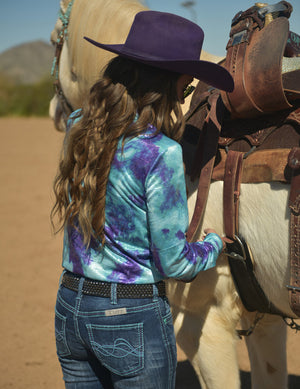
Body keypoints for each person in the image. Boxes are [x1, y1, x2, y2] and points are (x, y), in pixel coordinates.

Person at [51, 10, 234, 389]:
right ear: (167, 86)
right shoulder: (160, 153)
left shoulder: (78, 126)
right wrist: (214, 244)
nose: (185, 95)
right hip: (130, 313)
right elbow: (175, 262)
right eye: (185, 87)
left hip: (69, 305)